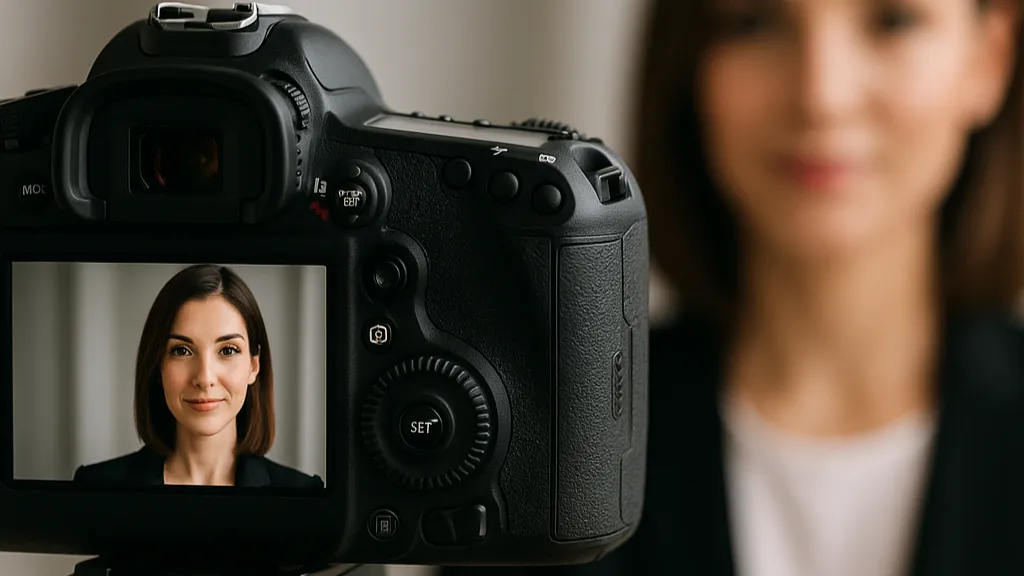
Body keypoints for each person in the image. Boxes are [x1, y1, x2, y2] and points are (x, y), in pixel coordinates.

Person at [443, 0, 1023, 575]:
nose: (822, 95)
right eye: (756, 22)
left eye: (893, 21)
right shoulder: (533, 457)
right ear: (690, 66)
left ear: (990, 56)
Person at [74, 264, 324, 489]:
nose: (204, 378)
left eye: (228, 350)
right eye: (182, 351)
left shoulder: (304, 494)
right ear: (157, 365)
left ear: (254, 365)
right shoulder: (95, 487)